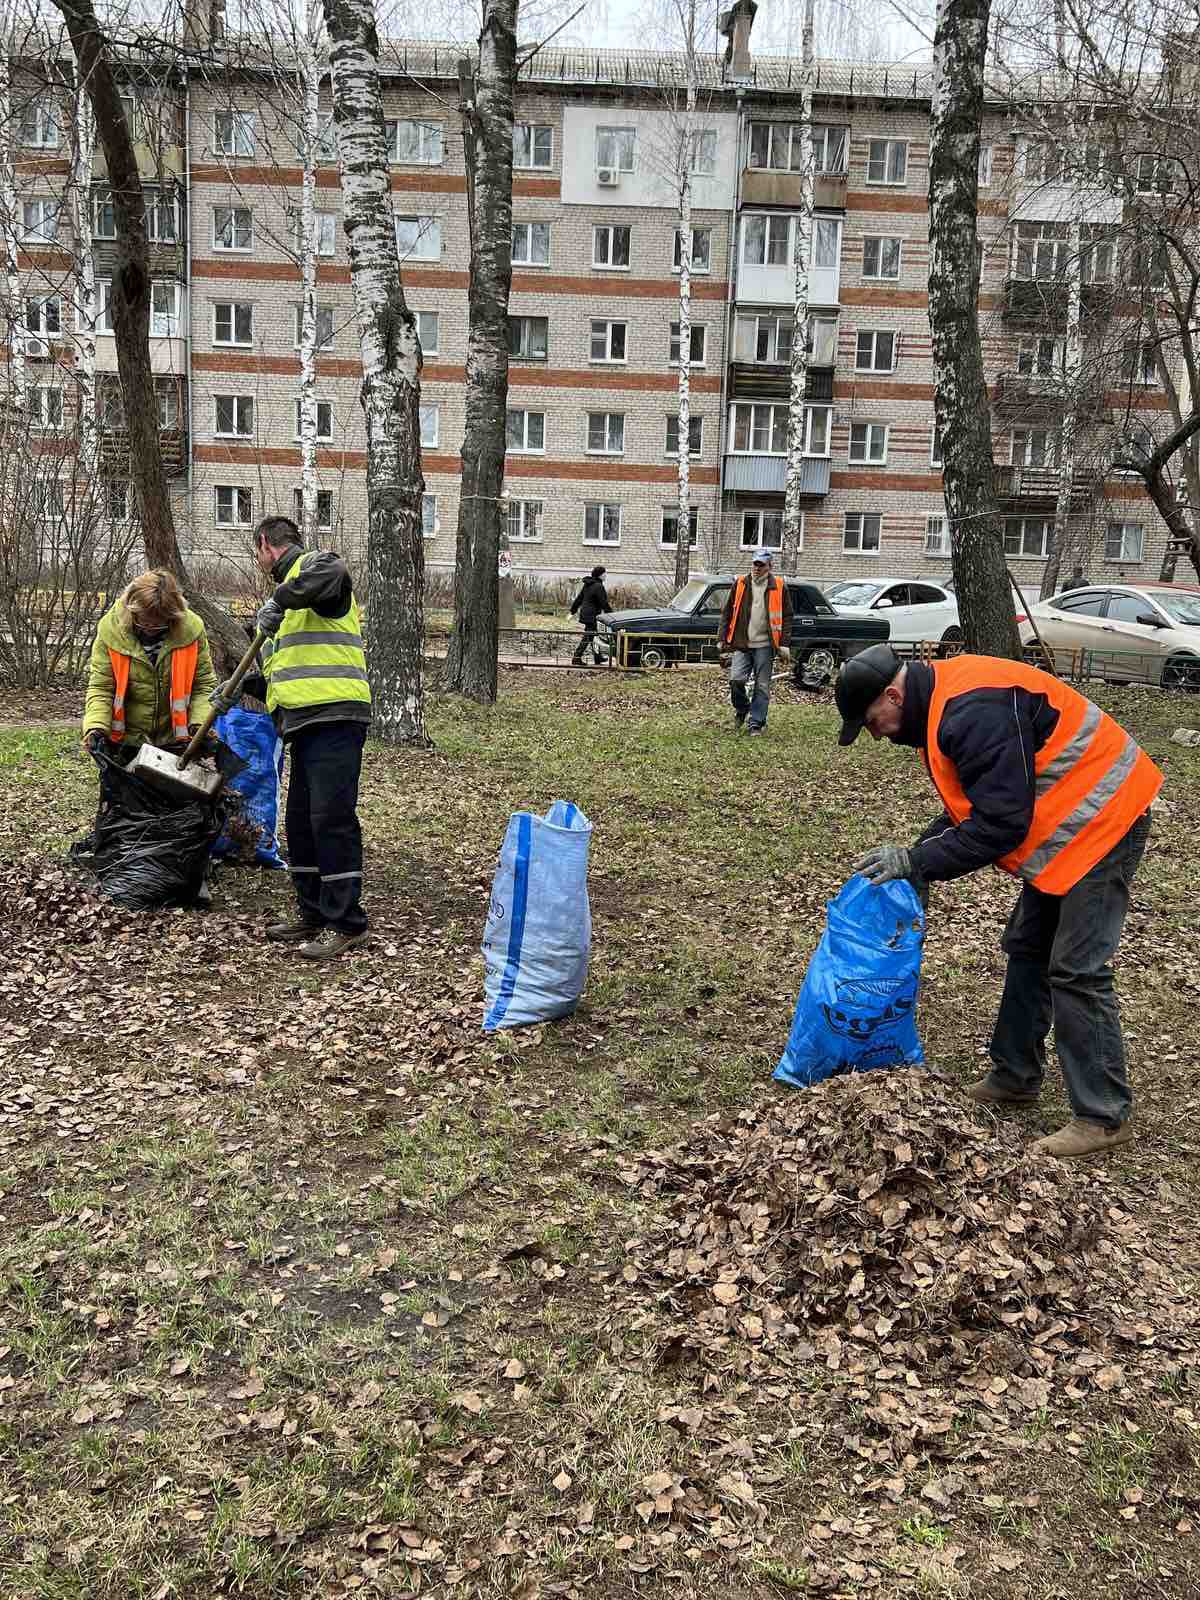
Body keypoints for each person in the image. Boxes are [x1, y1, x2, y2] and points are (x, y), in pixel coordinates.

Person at [834, 642, 1163, 1158]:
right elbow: (979, 802)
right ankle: (1015, 1076)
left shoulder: (970, 710)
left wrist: (920, 863)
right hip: (1066, 828)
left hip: (1106, 818)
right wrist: (922, 853)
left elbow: (1002, 825)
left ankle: (1103, 1115)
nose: (875, 735)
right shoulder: (941, 705)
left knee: (1077, 968)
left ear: (893, 695)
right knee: (1029, 947)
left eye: (872, 721)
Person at [212, 516, 371, 960]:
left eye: (258, 553)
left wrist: (280, 599)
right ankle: (313, 910)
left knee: (331, 818)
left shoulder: (314, 569)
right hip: (304, 725)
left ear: (266, 545)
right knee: (301, 822)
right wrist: (239, 690)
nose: (261, 562)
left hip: (338, 717)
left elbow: (336, 570)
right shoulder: (288, 609)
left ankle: (347, 923)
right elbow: (285, 682)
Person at [82, 568, 216, 756]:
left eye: (159, 623)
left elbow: (203, 686)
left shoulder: (191, 632)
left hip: (175, 744)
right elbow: (101, 687)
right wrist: (96, 727)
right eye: (144, 622)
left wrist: (200, 725)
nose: (150, 628)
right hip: (125, 742)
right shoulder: (111, 632)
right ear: (132, 612)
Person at [716, 547, 793, 734]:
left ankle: (756, 723)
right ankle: (742, 709)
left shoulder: (780, 586)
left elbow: (788, 616)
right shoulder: (741, 583)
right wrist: (721, 637)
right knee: (736, 680)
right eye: (755, 564)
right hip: (742, 643)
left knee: (762, 685)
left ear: (769, 566)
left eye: (761, 565)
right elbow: (727, 612)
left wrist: (784, 643)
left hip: (766, 646)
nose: (757, 568)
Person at [569, 565, 611, 665]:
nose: (606, 575)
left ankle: (597, 657)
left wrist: (572, 611)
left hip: (586, 614)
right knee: (588, 636)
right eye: (604, 573)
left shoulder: (588, 584)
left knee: (593, 637)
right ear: (600, 575)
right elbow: (603, 603)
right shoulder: (598, 586)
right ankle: (576, 657)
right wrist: (611, 616)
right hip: (592, 616)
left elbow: (579, 599)